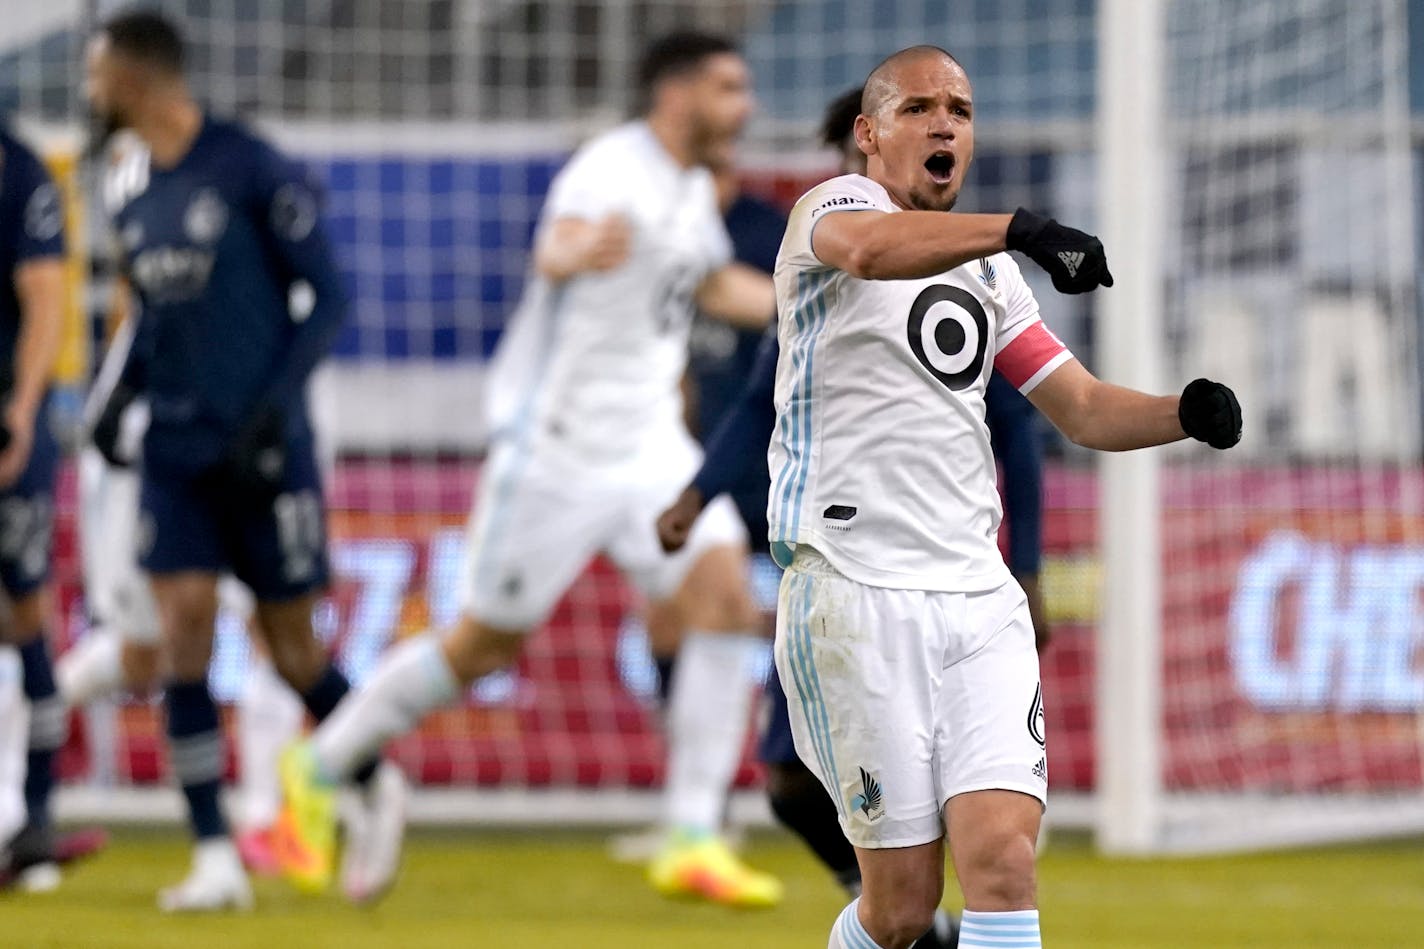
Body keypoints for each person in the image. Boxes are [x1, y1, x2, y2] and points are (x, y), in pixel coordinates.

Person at [276, 32, 783, 908]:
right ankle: (319, 768)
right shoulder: (608, 170)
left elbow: (708, 287)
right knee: (485, 643)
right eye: (729, 89)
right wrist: (569, 252)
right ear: (676, 94)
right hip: (558, 449)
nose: (746, 108)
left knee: (726, 598)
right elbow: (557, 246)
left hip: (651, 447)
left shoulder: (690, 189)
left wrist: (815, 304)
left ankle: (693, 833)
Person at [769, 47, 1239, 949]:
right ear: (869, 135)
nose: (946, 124)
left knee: (1004, 864)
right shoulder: (831, 213)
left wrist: (1185, 412)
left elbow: (1085, 408)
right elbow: (873, 252)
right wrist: (1019, 225)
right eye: (919, 108)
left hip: (977, 600)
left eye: (961, 109)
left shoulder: (991, 274)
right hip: (856, 592)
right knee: (902, 910)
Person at [82, 9, 403, 911]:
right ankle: (215, 855)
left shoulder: (250, 163)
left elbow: (327, 298)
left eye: (98, 73)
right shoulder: (127, 183)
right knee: (183, 632)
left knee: (292, 648)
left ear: (138, 76)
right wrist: (115, 403)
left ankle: (377, 782)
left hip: (264, 452)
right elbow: (151, 312)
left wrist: (273, 410)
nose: (90, 91)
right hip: (176, 451)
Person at [0, 121, 109, 891]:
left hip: (8, 421)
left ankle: (30, 815)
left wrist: (22, 408)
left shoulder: (20, 173)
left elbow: (45, 300)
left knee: (21, 611)